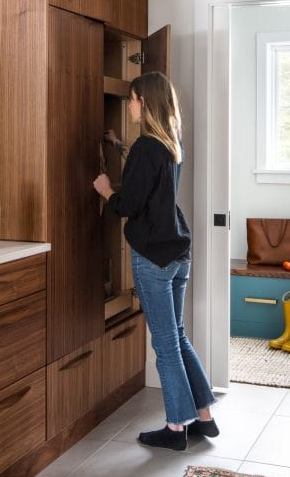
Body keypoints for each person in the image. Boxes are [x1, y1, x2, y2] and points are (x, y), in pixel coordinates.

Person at [93, 71, 218, 451]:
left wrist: (105, 191)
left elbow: (129, 203)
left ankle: (176, 427)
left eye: (131, 99)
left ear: (143, 102)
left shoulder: (148, 147)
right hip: (178, 251)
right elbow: (147, 174)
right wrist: (118, 147)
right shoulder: (169, 141)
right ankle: (204, 418)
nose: (129, 105)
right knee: (178, 337)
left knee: (165, 344)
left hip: (153, 257)